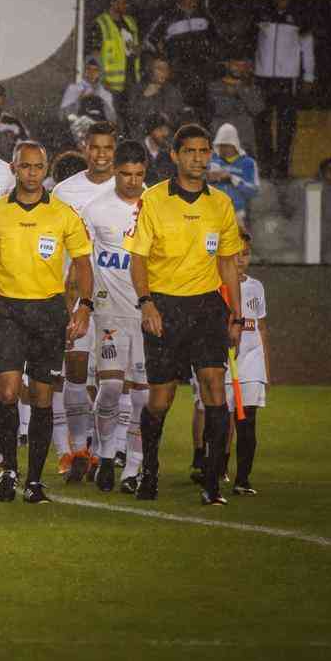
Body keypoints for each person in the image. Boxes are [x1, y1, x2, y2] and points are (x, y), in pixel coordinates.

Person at [0, 140, 94, 504]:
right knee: (6, 391)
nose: (32, 173)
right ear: (13, 169)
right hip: (7, 311)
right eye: (25, 167)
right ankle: (8, 469)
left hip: (49, 312)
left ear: (45, 169)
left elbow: (83, 263)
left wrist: (84, 306)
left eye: (38, 167)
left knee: (41, 397)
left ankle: (34, 480)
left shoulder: (64, 214)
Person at [123, 124, 244, 505]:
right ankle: (150, 469)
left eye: (204, 151)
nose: (198, 158)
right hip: (165, 306)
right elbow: (137, 257)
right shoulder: (153, 200)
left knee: (214, 388)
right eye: (190, 151)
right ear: (174, 155)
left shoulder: (220, 204)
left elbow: (228, 262)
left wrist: (236, 314)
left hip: (207, 306)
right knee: (161, 398)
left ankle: (211, 480)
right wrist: (146, 303)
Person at [50, 122, 116, 481]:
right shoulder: (64, 191)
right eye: (95, 147)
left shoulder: (132, 189)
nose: (101, 154)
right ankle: (80, 450)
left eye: (108, 148)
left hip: (118, 299)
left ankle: (110, 449)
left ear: (115, 149)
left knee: (114, 382)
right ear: (85, 148)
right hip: (74, 293)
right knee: (74, 373)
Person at [83, 140, 150, 493]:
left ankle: (132, 469)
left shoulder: (155, 205)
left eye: (139, 175)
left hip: (147, 314)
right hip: (109, 312)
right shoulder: (95, 210)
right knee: (110, 386)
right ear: (115, 172)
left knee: (143, 397)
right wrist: (80, 303)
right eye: (125, 174)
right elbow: (81, 262)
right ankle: (108, 454)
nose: (132, 181)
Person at [254, 0, 316, 179]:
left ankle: (281, 170)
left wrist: (309, 76)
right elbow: (251, 43)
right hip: (262, 78)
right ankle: (265, 168)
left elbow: (307, 48)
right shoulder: (262, 14)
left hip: (287, 79)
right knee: (262, 125)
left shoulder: (300, 16)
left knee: (285, 127)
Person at [226, 234, 269, 495]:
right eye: (236, 253)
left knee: (248, 420)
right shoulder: (216, 286)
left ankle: (243, 479)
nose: (241, 259)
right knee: (219, 422)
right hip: (225, 362)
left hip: (252, 362)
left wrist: (266, 368)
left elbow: (261, 327)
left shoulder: (256, 287)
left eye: (245, 253)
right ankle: (215, 468)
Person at [144, 0, 223, 108]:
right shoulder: (167, 17)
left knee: (203, 112)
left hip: (203, 75)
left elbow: (217, 41)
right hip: (178, 77)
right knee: (181, 112)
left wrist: (212, 60)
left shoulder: (205, 15)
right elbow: (149, 42)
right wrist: (164, 60)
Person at [88, 0, 140, 113]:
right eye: (124, 2)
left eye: (128, 2)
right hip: (110, 84)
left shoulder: (130, 22)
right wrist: (100, 80)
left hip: (131, 80)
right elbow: (94, 55)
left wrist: (137, 50)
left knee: (132, 116)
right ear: (112, 2)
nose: (127, 5)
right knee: (113, 118)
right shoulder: (100, 23)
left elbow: (133, 46)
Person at [208, 53, 265, 161]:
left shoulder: (252, 87)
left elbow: (257, 109)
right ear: (227, 65)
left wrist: (240, 90)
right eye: (235, 65)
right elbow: (220, 109)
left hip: (244, 142)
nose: (239, 69)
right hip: (221, 138)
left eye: (242, 66)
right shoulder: (215, 86)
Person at [208, 123, 260, 225]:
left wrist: (232, 178)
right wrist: (207, 178)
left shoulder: (248, 163)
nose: (222, 149)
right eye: (220, 145)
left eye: (226, 145)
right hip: (212, 215)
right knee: (210, 241)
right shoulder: (212, 160)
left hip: (237, 215)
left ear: (234, 144)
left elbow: (254, 190)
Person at [59, 56, 117, 124]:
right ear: (84, 70)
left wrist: (102, 103)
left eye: (95, 70)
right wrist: (79, 100)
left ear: (100, 73)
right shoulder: (73, 89)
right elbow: (62, 116)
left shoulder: (105, 94)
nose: (91, 73)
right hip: (78, 130)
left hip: (99, 130)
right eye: (88, 69)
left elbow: (112, 120)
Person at [143, 112, 176, 186]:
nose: (165, 133)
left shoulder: (169, 154)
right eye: (161, 129)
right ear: (151, 130)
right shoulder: (137, 151)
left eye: (166, 129)